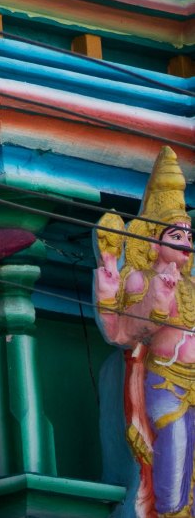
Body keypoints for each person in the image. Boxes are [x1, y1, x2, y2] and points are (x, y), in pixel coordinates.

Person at [95, 145, 195, 518]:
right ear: (153, 238)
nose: (186, 242)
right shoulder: (141, 277)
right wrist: (156, 300)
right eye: (177, 234)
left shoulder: (191, 286)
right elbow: (124, 330)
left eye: (188, 236)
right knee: (172, 454)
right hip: (165, 381)